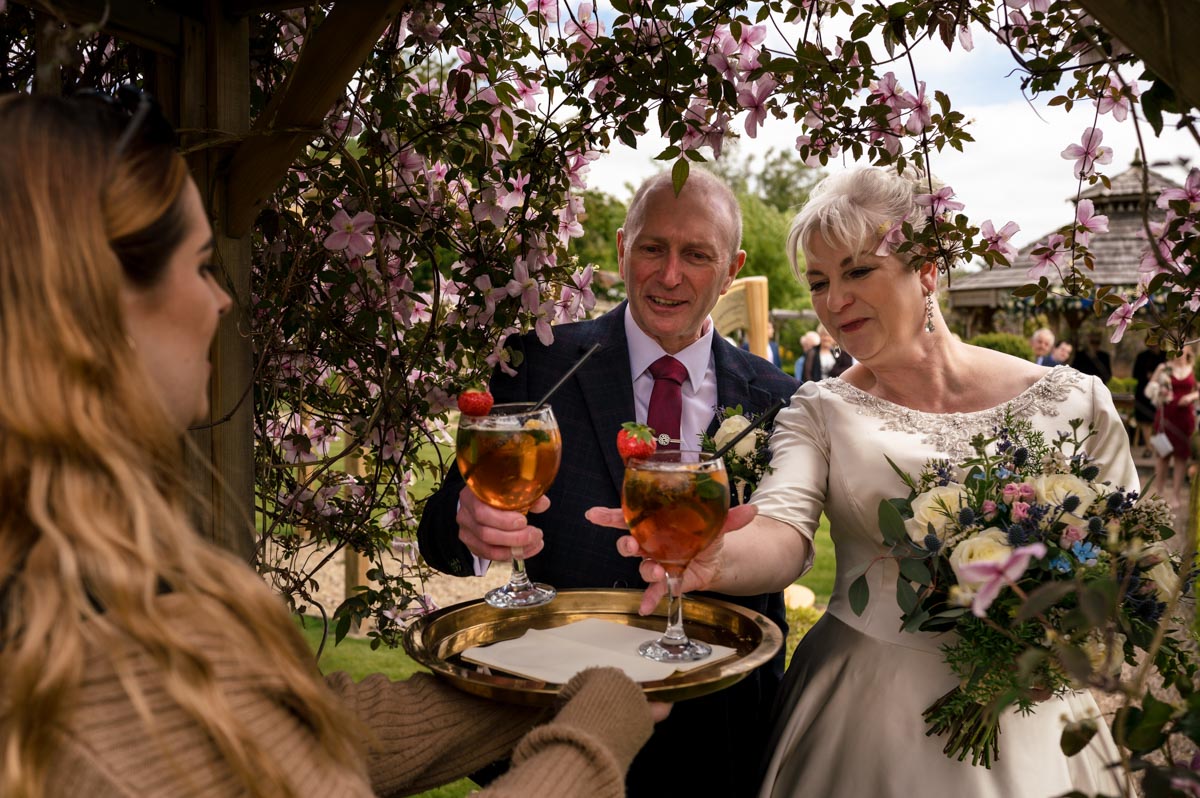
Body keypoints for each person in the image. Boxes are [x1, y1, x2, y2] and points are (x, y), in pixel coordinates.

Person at [0, 91, 658, 798]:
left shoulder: (80, 566)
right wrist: (596, 733)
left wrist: (544, 681)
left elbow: (283, 731)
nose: (221, 301)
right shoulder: (95, 657)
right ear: (99, 306)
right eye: (199, 266)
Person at [593, 167, 1130, 797]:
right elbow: (782, 530)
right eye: (819, 282)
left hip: (1034, 713)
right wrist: (714, 556)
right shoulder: (817, 409)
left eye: (856, 271)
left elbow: (1123, 564)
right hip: (864, 714)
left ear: (926, 267)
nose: (833, 300)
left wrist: (1067, 641)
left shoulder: (1075, 400)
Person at [418, 168, 799, 796]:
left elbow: (788, 545)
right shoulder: (535, 360)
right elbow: (440, 529)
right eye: (653, 247)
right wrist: (465, 520)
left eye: (696, 255)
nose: (669, 274)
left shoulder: (779, 400)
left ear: (731, 269)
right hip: (552, 726)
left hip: (720, 741)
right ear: (623, 248)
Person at [1147, 346, 1198, 507]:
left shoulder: (1194, 368)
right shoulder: (1164, 368)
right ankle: (1158, 493)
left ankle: (1175, 496)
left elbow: (1198, 390)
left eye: (1182, 349)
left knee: (1181, 457)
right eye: (1176, 349)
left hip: (1185, 418)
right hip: (1165, 418)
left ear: (1189, 351)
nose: (1179, 352)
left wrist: (1190, 397)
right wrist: (1159, 392)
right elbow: (1149, 389)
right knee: (1162, 456)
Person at [1133, 341, 1167, 454]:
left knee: (1160, 421)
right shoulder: (1142, 356)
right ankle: (1148, 447)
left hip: (1161, 393)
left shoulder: (1166, 356)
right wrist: (1147, 375)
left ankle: (1161, 449)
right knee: (1145, 421)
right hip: (1144, 393)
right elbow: (1135, 374)